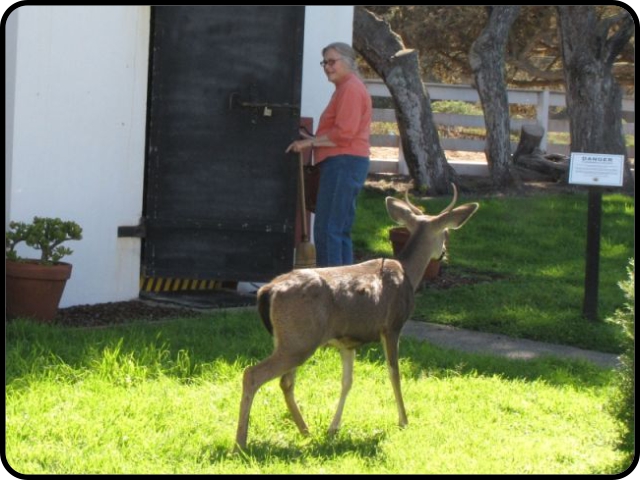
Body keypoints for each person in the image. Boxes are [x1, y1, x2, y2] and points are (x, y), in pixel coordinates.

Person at [286, 42, 372, 267]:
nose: (327, 67)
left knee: (328, 229)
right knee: (339, 230)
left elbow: (344, 133)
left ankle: (330, 290)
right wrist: (311, 139)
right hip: (346, 163)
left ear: (349, 62)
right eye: (325, 62)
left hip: (343, 162)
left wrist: (308, 143)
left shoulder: (351, 88)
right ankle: (345, 290)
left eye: (332, 62)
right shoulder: (347, 88)